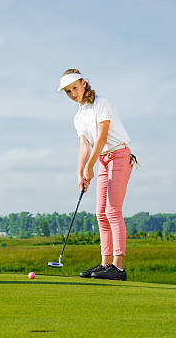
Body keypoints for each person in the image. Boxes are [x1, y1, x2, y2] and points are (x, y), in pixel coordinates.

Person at [58, 69, 136, 281]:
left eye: (75, 87)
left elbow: (101, 139)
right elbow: (84, 146)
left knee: (112, 211)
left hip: (119, 156)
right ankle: (105, 264)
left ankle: (119, 268)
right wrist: (80, 172)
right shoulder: (78, 117)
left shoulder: (101, 103)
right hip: (102, 160)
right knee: (100, 213)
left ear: (84, 83)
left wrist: (89, 167)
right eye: (68, 91)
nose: (73, 93)